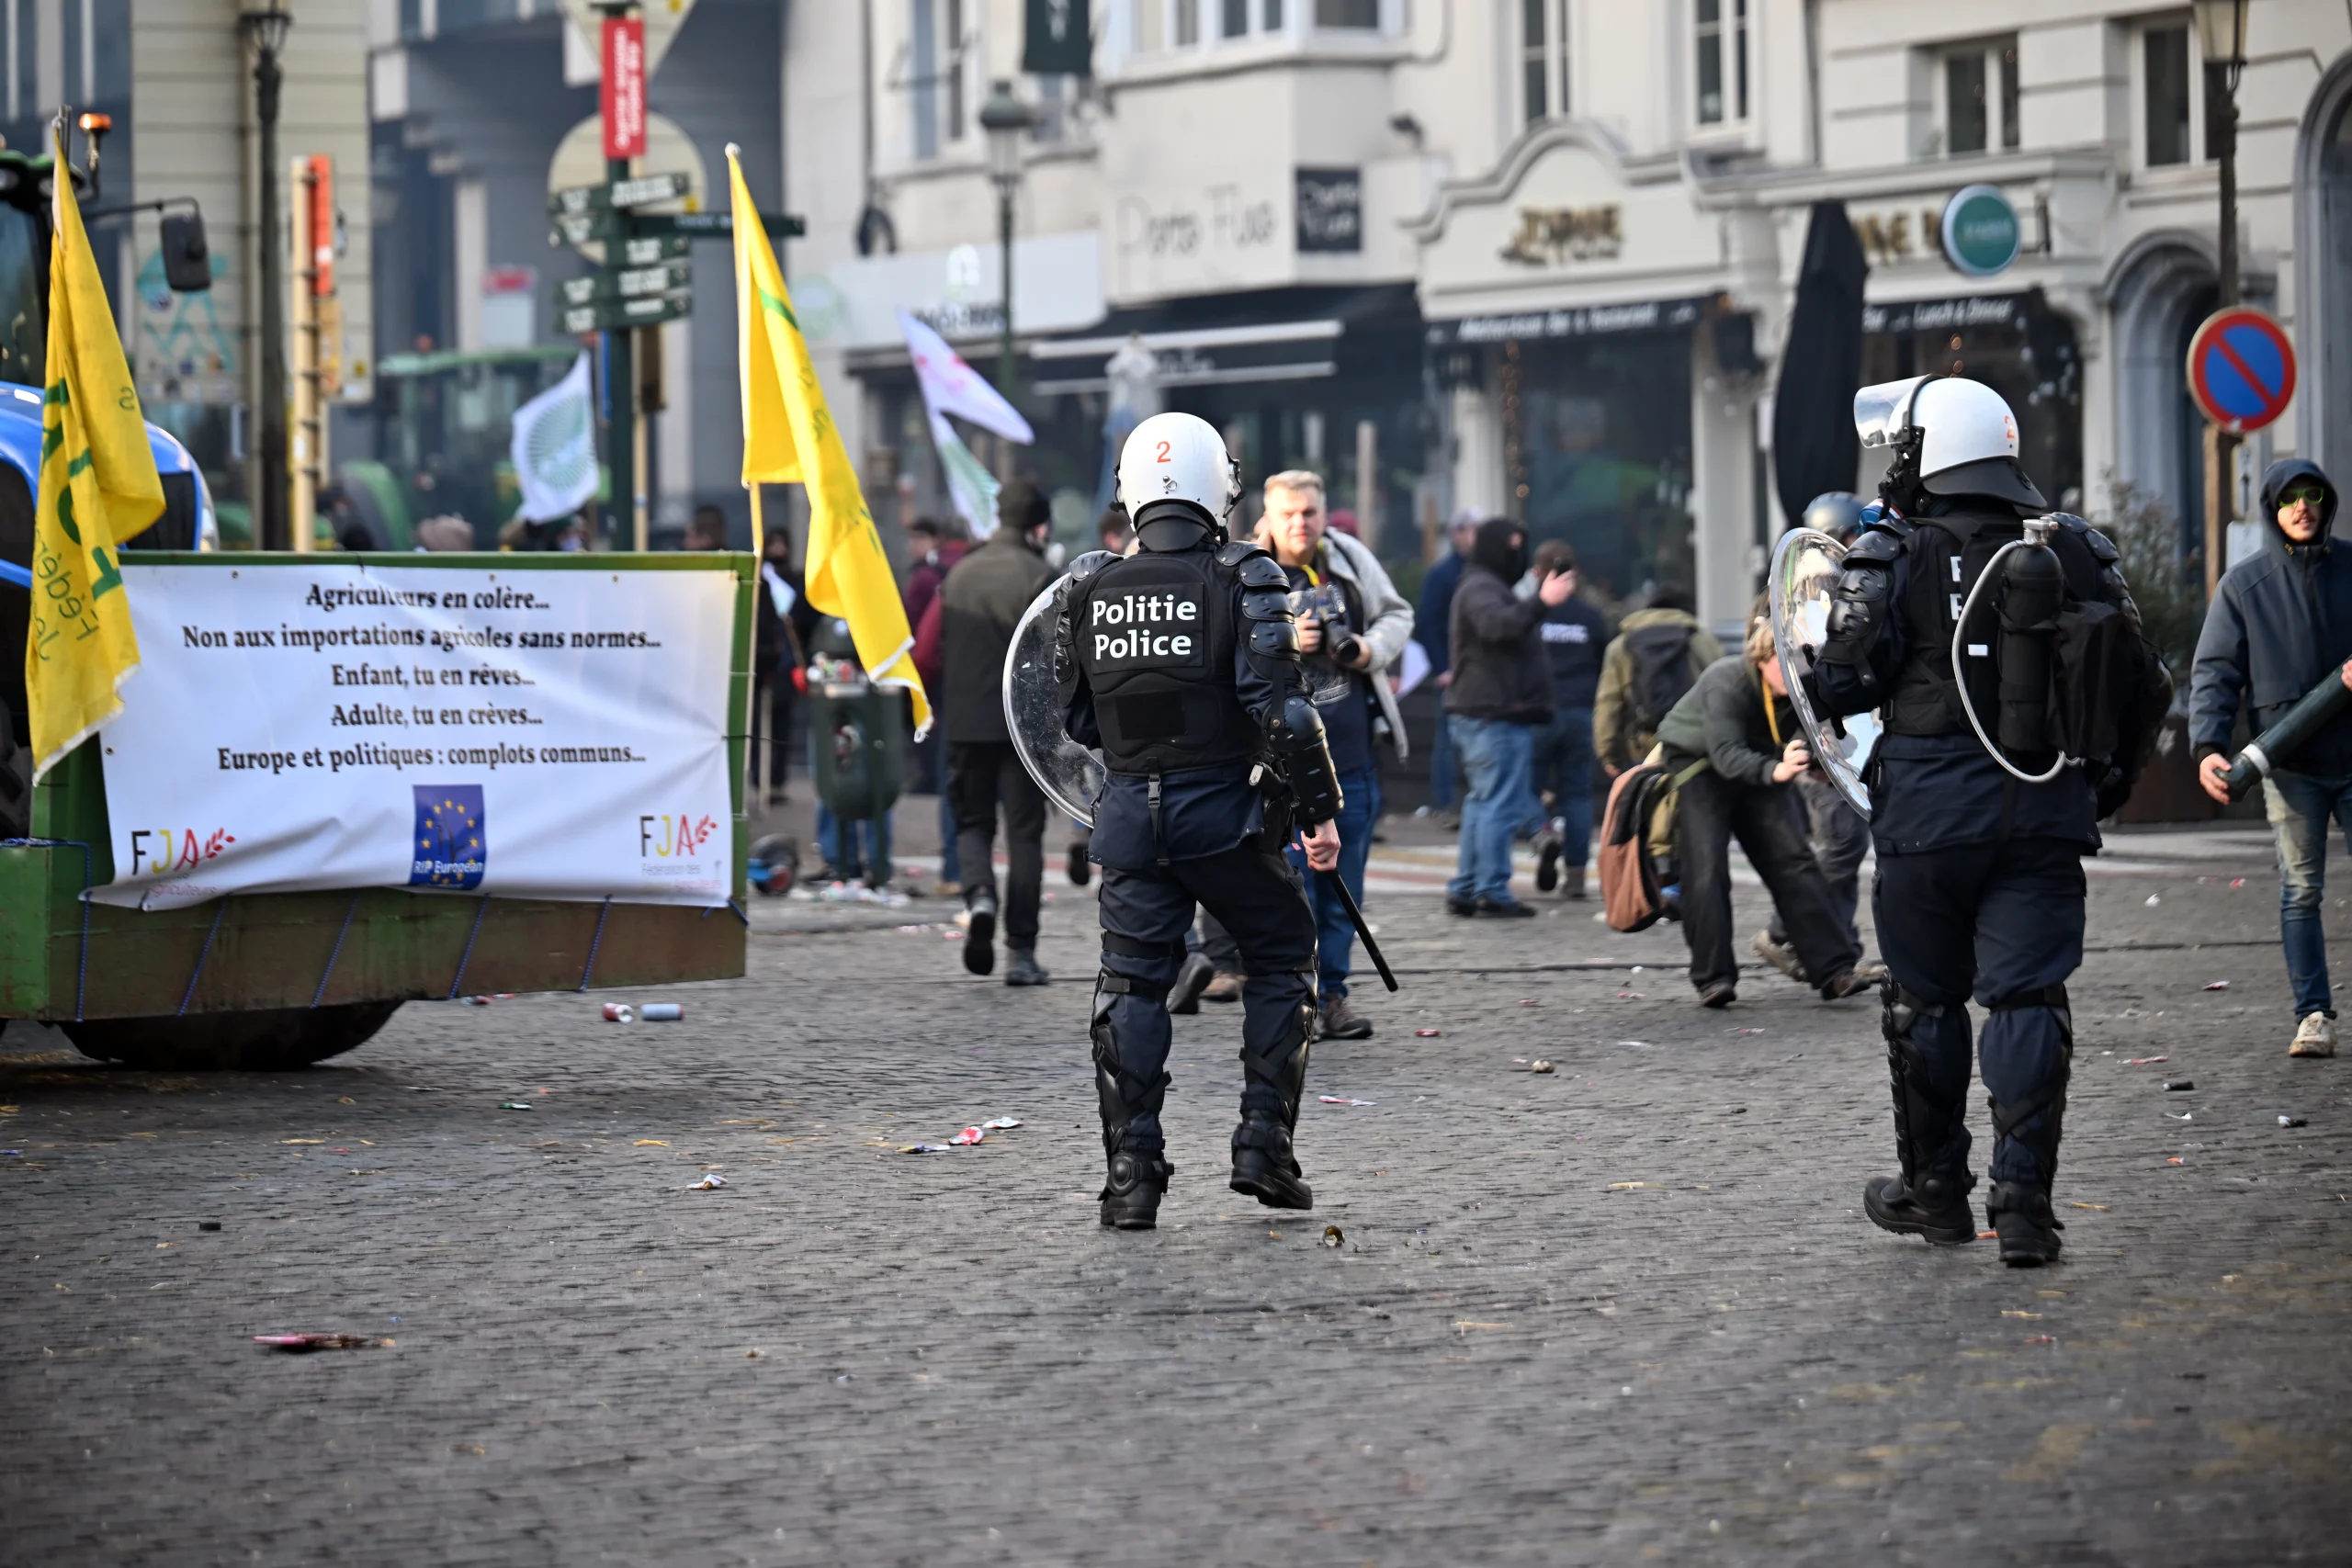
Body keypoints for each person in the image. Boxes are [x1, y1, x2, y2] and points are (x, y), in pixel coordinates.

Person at [1807, 375, 2169, 1267]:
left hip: (1927, 817)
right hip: (2042, 807)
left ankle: (1933, 1197)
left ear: (1928, 449)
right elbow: (2143, 681)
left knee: (1924, 1003)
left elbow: (1841, 681)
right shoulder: (2072, 547)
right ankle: (2025, 1211)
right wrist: (2102, 788)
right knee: (2029, 999)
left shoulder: (1888, 549)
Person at [1054, 412, 1340, 1230]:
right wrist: (1319, 813)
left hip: (1129, 827)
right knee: (1284, 954)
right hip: (1224, 819)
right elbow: (1284, 712)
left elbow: (1074, 720)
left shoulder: (1087, 585)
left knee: (1133, 985)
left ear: (1130, 490)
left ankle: (1130, 1179)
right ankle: (1263, 1148)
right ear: (1222, 485)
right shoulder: (1245, 575)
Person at [1243, 469, 1413, 1040]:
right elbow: (1226, 648)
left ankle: (1333, 995)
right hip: (1277, 769)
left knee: (1344, 887)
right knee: (1287, 889)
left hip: (1351, 757)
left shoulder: (1348, 558)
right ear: (1267, 515)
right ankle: (1295, 999)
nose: (1301, 524)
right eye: (1289, 514)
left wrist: (1367, 649)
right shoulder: (1242, 569)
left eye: (1310, 513)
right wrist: (1288, 637)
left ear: (1324, 512)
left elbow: (1398, 614)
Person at [2191, 459, 2348, 1058]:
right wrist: (2207, 747)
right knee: (2301, 891)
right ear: (2273, 509)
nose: (2302, 506)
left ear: (2325, 503)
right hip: (2292, 766)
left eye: (2312, 495)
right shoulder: (2244, 586)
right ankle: (2313, 1015)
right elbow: (2215, 674)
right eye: (2290, 499)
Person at [1657, 609, 1871, 1009]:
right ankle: (1713, 977)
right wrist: (1777, 768)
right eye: (1788, 661)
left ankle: (1835, 970)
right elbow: (1724, 754)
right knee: (1706, 872)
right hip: (1699, 767)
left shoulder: (1799, 687)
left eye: (1802, 661)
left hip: (1759, 765)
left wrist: (1818, 752)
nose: (1797, 671)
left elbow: (1834, 735)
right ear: (1765, 656)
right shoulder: (1729, 680)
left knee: (1794, 860)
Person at [933, 481, 1058, 985]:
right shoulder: (1040, 575)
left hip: (964, 722)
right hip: (1020, 728)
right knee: (1025, 835)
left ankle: (980, 896)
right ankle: (1021, 952)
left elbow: (938, 645)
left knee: (971, 824)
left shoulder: (959, 574)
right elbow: (1054, 657)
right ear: (1039, 525)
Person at [1756, 493, 1873, 981]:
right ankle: (1784, 932)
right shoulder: (1813, 595)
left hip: (1834, 739)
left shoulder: (1813, 589)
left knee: (1847, 843)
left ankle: (1837, 951)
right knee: (1840, 846)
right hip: (1823, 742)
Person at [1445, 518, 1575, 917]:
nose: (1518, 554)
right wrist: (1542, 601)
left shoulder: (1483, 584)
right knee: (1498, 803)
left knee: (1483, 802)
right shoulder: (1483, 587)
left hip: (1488, 713)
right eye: (1512, 546)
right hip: (1493, 715)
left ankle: (1468, 885)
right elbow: (1497, 626)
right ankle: (1491, 887)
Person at [1528, 541, 1609, 899]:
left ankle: (1542, 834)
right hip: (1579, 712)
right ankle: (1576, 874)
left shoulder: (1532, 615)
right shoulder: (1590, 617)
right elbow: (1603, 662)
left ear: (1539, 573)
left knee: (1523, 786)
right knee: (1576, 793)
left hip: (1538, 713)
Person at [1066, 504, 1136, 888]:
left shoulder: (1090, 581)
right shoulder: (1106, 577)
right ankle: (1090, 833)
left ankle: (1084, 831)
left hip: (1102, 701)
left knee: (1093, 774)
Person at [1594, 585, 1721, 776]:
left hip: (1642, 746)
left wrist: (1607, 753)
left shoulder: (1621, 646)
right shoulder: (1701, 641)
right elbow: (1722, 691)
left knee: (1644, 801)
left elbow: (1608, 703)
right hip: (1693, 744)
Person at [1414, 510, 1480, 822]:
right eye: (1470, 530)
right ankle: (1445, 803)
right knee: (1447, 740)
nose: (1475, 537)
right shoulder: (1442, 575)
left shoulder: (1480, 573)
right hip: (1453, 670)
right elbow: (1426, 623)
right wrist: (1441, 667)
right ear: (1456, 534)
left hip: (1478, 672)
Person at [752, 527, 804, 806]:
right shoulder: (759, 581)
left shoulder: (793, 580)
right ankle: (761, 777)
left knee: (781, 722)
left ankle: (777, 778)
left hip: (784, 663)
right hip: (763, 661)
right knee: (760, 723)